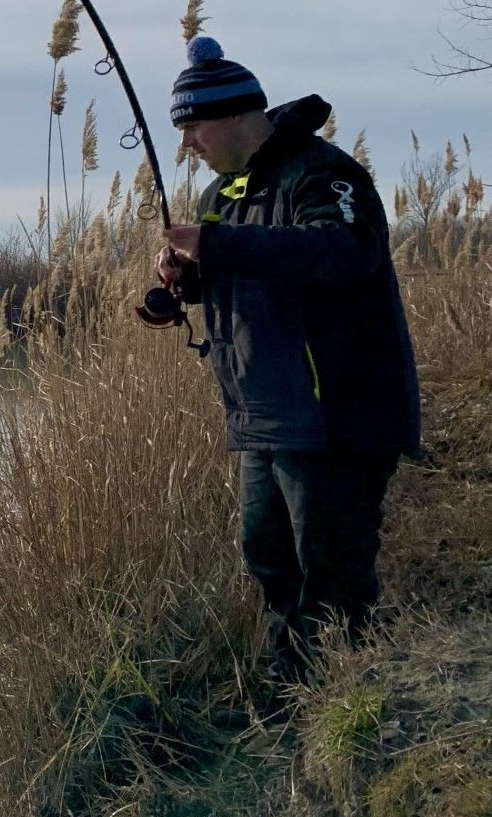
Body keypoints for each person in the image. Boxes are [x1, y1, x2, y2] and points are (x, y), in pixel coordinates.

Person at [157, 35, 420, 682]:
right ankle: (294, 693)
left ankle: (353, 713)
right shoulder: (221, 196)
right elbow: (246, 275)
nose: (188, 145)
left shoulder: (324, 174)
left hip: (336, 420)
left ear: (238, 115)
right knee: (270, 560)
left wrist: (218, 248)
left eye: (193, 128)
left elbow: (341, 252)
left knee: (332, 579)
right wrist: (185, 281)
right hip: (262, 420)